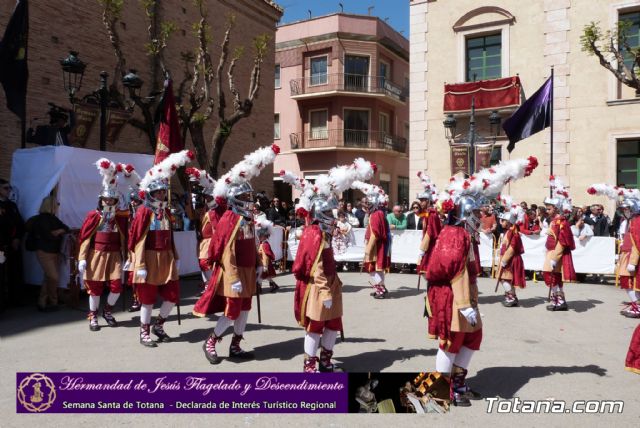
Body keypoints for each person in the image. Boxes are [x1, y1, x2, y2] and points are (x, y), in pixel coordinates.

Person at [426, 156, 537, 407]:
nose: (480, 216)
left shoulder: (467, 235)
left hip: (465, 295)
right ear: (465, 212)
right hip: (454, 297)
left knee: (472, 340)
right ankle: (441, 389)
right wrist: (465, 303)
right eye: (475, 212)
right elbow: (456, 271)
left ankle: (459, 382)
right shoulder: (456, 234)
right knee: (450, 343)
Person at [199, 144, 279, 364]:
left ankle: (236, 344)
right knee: (232, 310)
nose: (249, 199)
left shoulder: (247, 219)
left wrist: (259, 263)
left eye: (249, 195)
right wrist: (233, 277)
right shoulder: (230, 218)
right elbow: (224, 249)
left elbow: (251, 244)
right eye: (245, 196)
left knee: (244, 308)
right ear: (235, 198)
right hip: (233, 272)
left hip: (247, 269)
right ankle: (211, 341)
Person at [291, 159, 374, 372]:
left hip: (330, 283)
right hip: (320, 287)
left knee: (333, 324)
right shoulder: (315, 233)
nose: (331, 217)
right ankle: (309, 366)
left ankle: (326, 361)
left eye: (332, 213)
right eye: (327, 213)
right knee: (316, 326)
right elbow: (315, 266)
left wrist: (335, 282)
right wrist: (325, 291)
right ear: (319, 214)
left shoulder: (324, 232)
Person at [129, 150, 194, 347]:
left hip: (166, 258)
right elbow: (137, 239)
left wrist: (175, 255)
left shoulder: (165, 212)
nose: (160, 195)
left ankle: (159, 324)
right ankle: (144, 332)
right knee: (147, 299)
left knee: (173, 296)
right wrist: (139, 264)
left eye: (161, 192)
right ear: (150, 193)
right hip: (148, 258)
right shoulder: (143, 212)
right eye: (156, 192)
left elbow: (170, 236)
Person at [77, 159, 129, 331]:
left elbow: (126, 238)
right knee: (95, 288)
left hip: (114, 255)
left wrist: (128, 256)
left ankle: (107, 311)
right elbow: (85, 238)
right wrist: (82, 258)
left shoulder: (120, 217)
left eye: (112, 200)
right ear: (101, 200)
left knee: (116, 286)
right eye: (106, 199)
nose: (109, 202)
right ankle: (93, 315)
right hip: (96, 254)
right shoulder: (94, 216)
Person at [588, 184, 640, 317]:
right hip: (625, 252)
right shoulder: (627, 220)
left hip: (632, 255)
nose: (624, 211)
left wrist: (633, 262)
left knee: (629, 281)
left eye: (627, 208)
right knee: (627, 280)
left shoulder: (637, 221)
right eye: (624, 209)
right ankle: (636, 303)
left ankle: (637, 305)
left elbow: (637, 243)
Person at [185, 167, 225, 297]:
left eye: (208, 198)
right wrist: (190, 191)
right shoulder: (200, 214)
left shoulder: (213, 212)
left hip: (211, 242)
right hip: (203, 243)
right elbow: (191, 213)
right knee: (202, 264)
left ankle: (213, 285)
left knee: (208, 264)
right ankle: (208, 284)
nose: (206, 200)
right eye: (205, 198)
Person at [28, 196, 70, 311]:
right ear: (50, 205)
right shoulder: (42, 219)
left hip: (53, 251)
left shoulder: (52, 218)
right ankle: (52, 301)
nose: (57, 205)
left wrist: (58, 231)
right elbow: (48, 235)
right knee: (53, 277)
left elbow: (66, 228)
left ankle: (44, 302)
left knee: (49, 278)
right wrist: (58, 231)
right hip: (45, 251)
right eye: (56, 203)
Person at [542, 176, 577, 311]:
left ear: (556, 209)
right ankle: (558, 300)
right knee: (553, 277)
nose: (547, 211)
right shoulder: (554, 221)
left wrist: (554, 258)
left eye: (549, 208)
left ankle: (559, 300)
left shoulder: (561, 222)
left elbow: (562, 242)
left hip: (554, 254)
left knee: (550, 276)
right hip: (551, 252)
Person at [354, 181, 391, 299]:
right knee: (377, 268)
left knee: (371, 268)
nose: (365, 206)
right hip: (378, 246)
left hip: (376, 247)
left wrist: (367, 250)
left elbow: (375, 234)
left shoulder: (376, 214)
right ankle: (381, 287)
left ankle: (380, 290)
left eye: (367, 204)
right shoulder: (378, 213)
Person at [496, 199, 526, 307]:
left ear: (508, 222)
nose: (501, 222)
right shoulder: (509, 232)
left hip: (509, 260)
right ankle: (512, 296)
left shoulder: (513, 233)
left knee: (504, 279)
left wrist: (504, 260)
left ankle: (511, 297)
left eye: (503, 220)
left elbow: (512, 248)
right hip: (507, 259)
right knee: (507, 279)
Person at [0, 178, 24, 308]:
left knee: (15, 270)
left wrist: (17, 238)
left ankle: (15, 299)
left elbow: (19, 223)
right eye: (5, 188)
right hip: (1, 246)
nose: (8, 191)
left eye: (9, 188)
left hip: (13, 244)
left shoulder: (12, 205)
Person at [416, 173, 442, 279]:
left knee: (427, 270)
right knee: (425, 270)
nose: (421, 203)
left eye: (422, 200)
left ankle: (431, 293)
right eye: (420, 200)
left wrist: (422, 249)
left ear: (427, 201)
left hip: (431, 246)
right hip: (428, 245)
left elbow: (430, 232)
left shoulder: (431, 214)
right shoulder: (427, 213)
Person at [256, 219, 279, 293]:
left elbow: (266, 255)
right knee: (265, 276)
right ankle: (273, 285)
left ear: (264, 236)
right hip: (262, 263)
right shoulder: (262, 243)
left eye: (261, 236)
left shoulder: (264, 245)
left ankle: (259, 288)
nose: (259, 237)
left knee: (260, 276)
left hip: (264, 263)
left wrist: (265, 266)